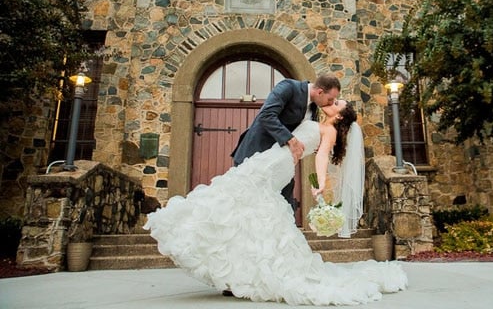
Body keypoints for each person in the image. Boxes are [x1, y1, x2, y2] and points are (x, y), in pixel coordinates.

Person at [144, 100, 408, 305]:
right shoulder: (316, 119)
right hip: (269, 159)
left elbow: (319, 160)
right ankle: (236, 268)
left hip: (278, 166)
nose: (334, 102)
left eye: (338, 104)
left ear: (340, 116)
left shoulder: (329, 130)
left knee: (238, 198)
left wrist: (317, 185)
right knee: (243, 207)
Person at [231, 74, 341, 209]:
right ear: (319, 92)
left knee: (283, 209)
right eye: (330, 99)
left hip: (281, 164)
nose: (331, 103)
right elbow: (266, 115)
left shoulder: (314, 107)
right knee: (245, 205)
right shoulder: (289, 87)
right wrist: (290, 139)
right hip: (256, 154)